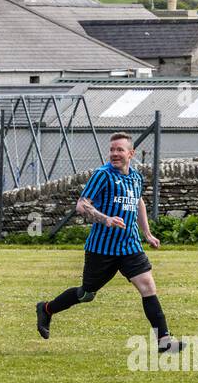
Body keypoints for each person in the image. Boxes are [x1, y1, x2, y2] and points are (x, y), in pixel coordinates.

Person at [35, 132, 185, 353]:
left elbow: (139, 202)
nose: (114, 154)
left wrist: (147, 233)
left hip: (130, 246)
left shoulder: (135, 177)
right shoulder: (102, 175)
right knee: (86, 294)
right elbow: (82, 204)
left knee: (147, 286)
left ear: (131, 153)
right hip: (102, 249)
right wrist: (105, 219)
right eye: (112, 150)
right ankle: (47, 309)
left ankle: (164, 340)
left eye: (120, 150)